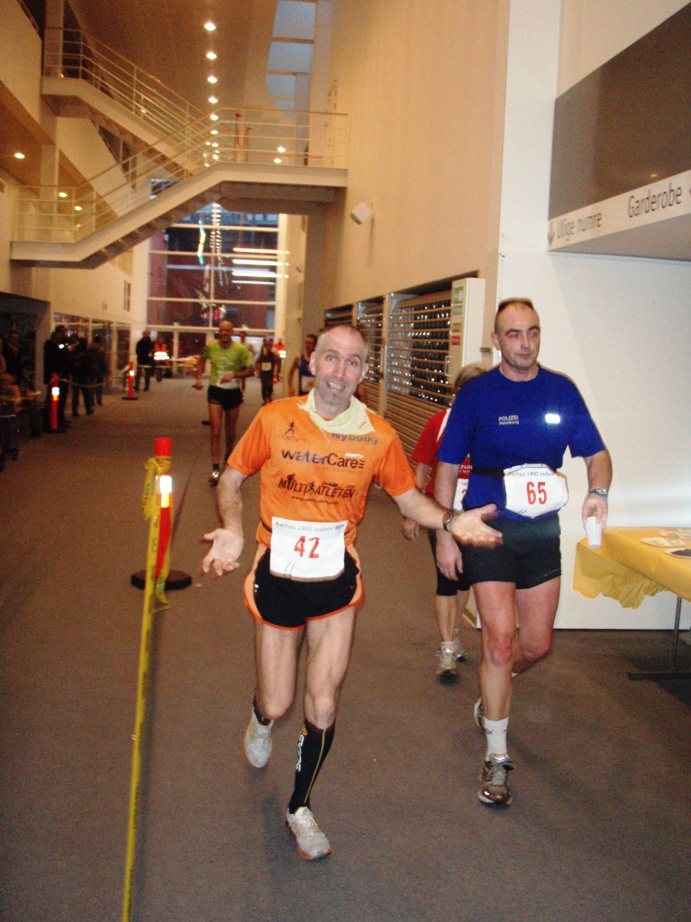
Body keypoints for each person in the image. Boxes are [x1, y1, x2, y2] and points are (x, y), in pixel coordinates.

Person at [200, 324, 502, 861]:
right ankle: (261, 716)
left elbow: (410, 501)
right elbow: (231, 477)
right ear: (312, 362)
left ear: (365, 372)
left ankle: (299, 806)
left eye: (353, 362)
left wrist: (452, 521)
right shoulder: (275, 419)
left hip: (338, 579)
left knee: (322, 699)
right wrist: (230, 526)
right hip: (278, 570)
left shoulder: (379, 435)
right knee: (279, 698)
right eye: (331, 359)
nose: (340, 372)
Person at [434, 298, 612, 808]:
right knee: (499, 639)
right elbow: (447, 464)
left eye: (532, 332)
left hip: (540, 532)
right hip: (488, 527)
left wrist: (597, 493)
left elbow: (597, 454)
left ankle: (495, 691)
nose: (525, 343)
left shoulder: (560, 390)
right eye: (514, 334)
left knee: (535, 645)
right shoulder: (476, 395)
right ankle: (496, 755)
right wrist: (447, 531)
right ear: (497, 340)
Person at [402, 363, 486, 679]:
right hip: (442, 515)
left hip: (479, 516)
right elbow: (421, 472)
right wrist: (410, 515)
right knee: (445, 578)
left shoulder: (491, 427)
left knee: (464, 578)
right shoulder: (439, 424)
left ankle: (454, 634)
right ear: (459, 393)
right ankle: (447, 646)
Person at [194, 320, 254, 485]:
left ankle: (228, 461)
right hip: (216, 391)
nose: (224, 333)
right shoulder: (211, 347)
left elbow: (251, 371)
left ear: (232, 331)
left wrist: (235, 375)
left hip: (233, 393)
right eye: (221, 330)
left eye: (227, 330)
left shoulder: (240, 350)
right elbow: (201, 360)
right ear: (218, 332)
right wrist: (198, 379)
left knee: (230, 432)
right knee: (215, 430)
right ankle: (215, 470)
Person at [43, 324, 70, 430]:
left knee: (61, 400)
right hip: (55, 378)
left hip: (62, 377)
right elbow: (57, 358)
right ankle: (51, 421)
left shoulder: (61, 345)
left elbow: (65, 354)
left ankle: (59, 419)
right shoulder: (51, 345)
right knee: (53, 400)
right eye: (60, 333)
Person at [69, 336, 94, 417]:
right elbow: (89, 361)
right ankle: (88, 409)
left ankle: (75, 410)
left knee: (76, 394)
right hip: (83, 374)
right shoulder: (85, 351)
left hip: (76, 374)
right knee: (85, 393)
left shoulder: (75, 351)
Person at [255, 339, 279, 404]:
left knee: (270, 386)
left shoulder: (273, 355)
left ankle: (269, 396)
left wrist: (276, 371)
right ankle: (265, 400)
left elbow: (277, 362)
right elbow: (256, 362)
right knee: (264, 387)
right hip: (263, 373)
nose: (268, 347)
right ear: (265, 346)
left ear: (271, 347)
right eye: (267, 345)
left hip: (270, 373)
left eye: (270, 345)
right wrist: (258, 370)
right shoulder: (262, 355)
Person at [87, 335, 108, 405]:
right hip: (99, 368)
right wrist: (106, 369)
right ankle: (99, 399)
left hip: (90, 368)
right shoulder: (101, 349)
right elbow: (103, 361)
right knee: (99, 384)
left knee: (91, 384)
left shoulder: (88, 348)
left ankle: (91, 400)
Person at [237, 329, 256, 393]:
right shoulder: (237, 345)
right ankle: (237, 391)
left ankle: (242, 393)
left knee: (243, 380)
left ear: (245, 336)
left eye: (243, 336)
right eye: (240, 336)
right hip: (238, 363)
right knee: (236, 378)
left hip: (244, 364)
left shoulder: (248, 345)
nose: (242, 337)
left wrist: (249, 359)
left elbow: (253, 352)